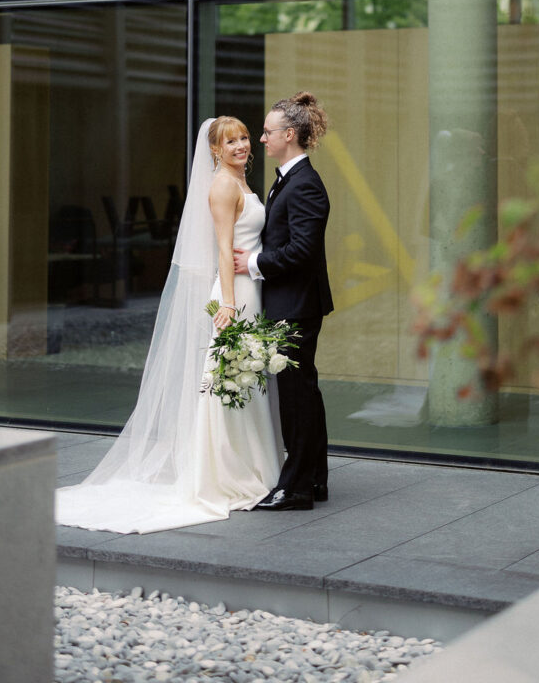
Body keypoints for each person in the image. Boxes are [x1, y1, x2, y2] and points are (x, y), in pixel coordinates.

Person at [55, 117, 282, 534]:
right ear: (214, 150)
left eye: (245, 138)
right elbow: (221, 250)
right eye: (230, 141)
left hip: (252, 288)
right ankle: (226, 473)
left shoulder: (242, 184)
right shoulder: (222, 187)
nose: (241, 146)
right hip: (237, 295)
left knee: (245, 381)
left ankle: (254, 465)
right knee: (230, 379)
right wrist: (229, 303)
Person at [234, 92, 333, 511]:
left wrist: (254, 262)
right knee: (304, 394)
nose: (260, 139)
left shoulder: (305, 184)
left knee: (297, 398)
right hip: (291, 302)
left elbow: (302, 252)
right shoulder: (289, 179)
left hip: (296, 305)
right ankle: (313, 480)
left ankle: (296, 491)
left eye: (267, 132)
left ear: (289, 135)